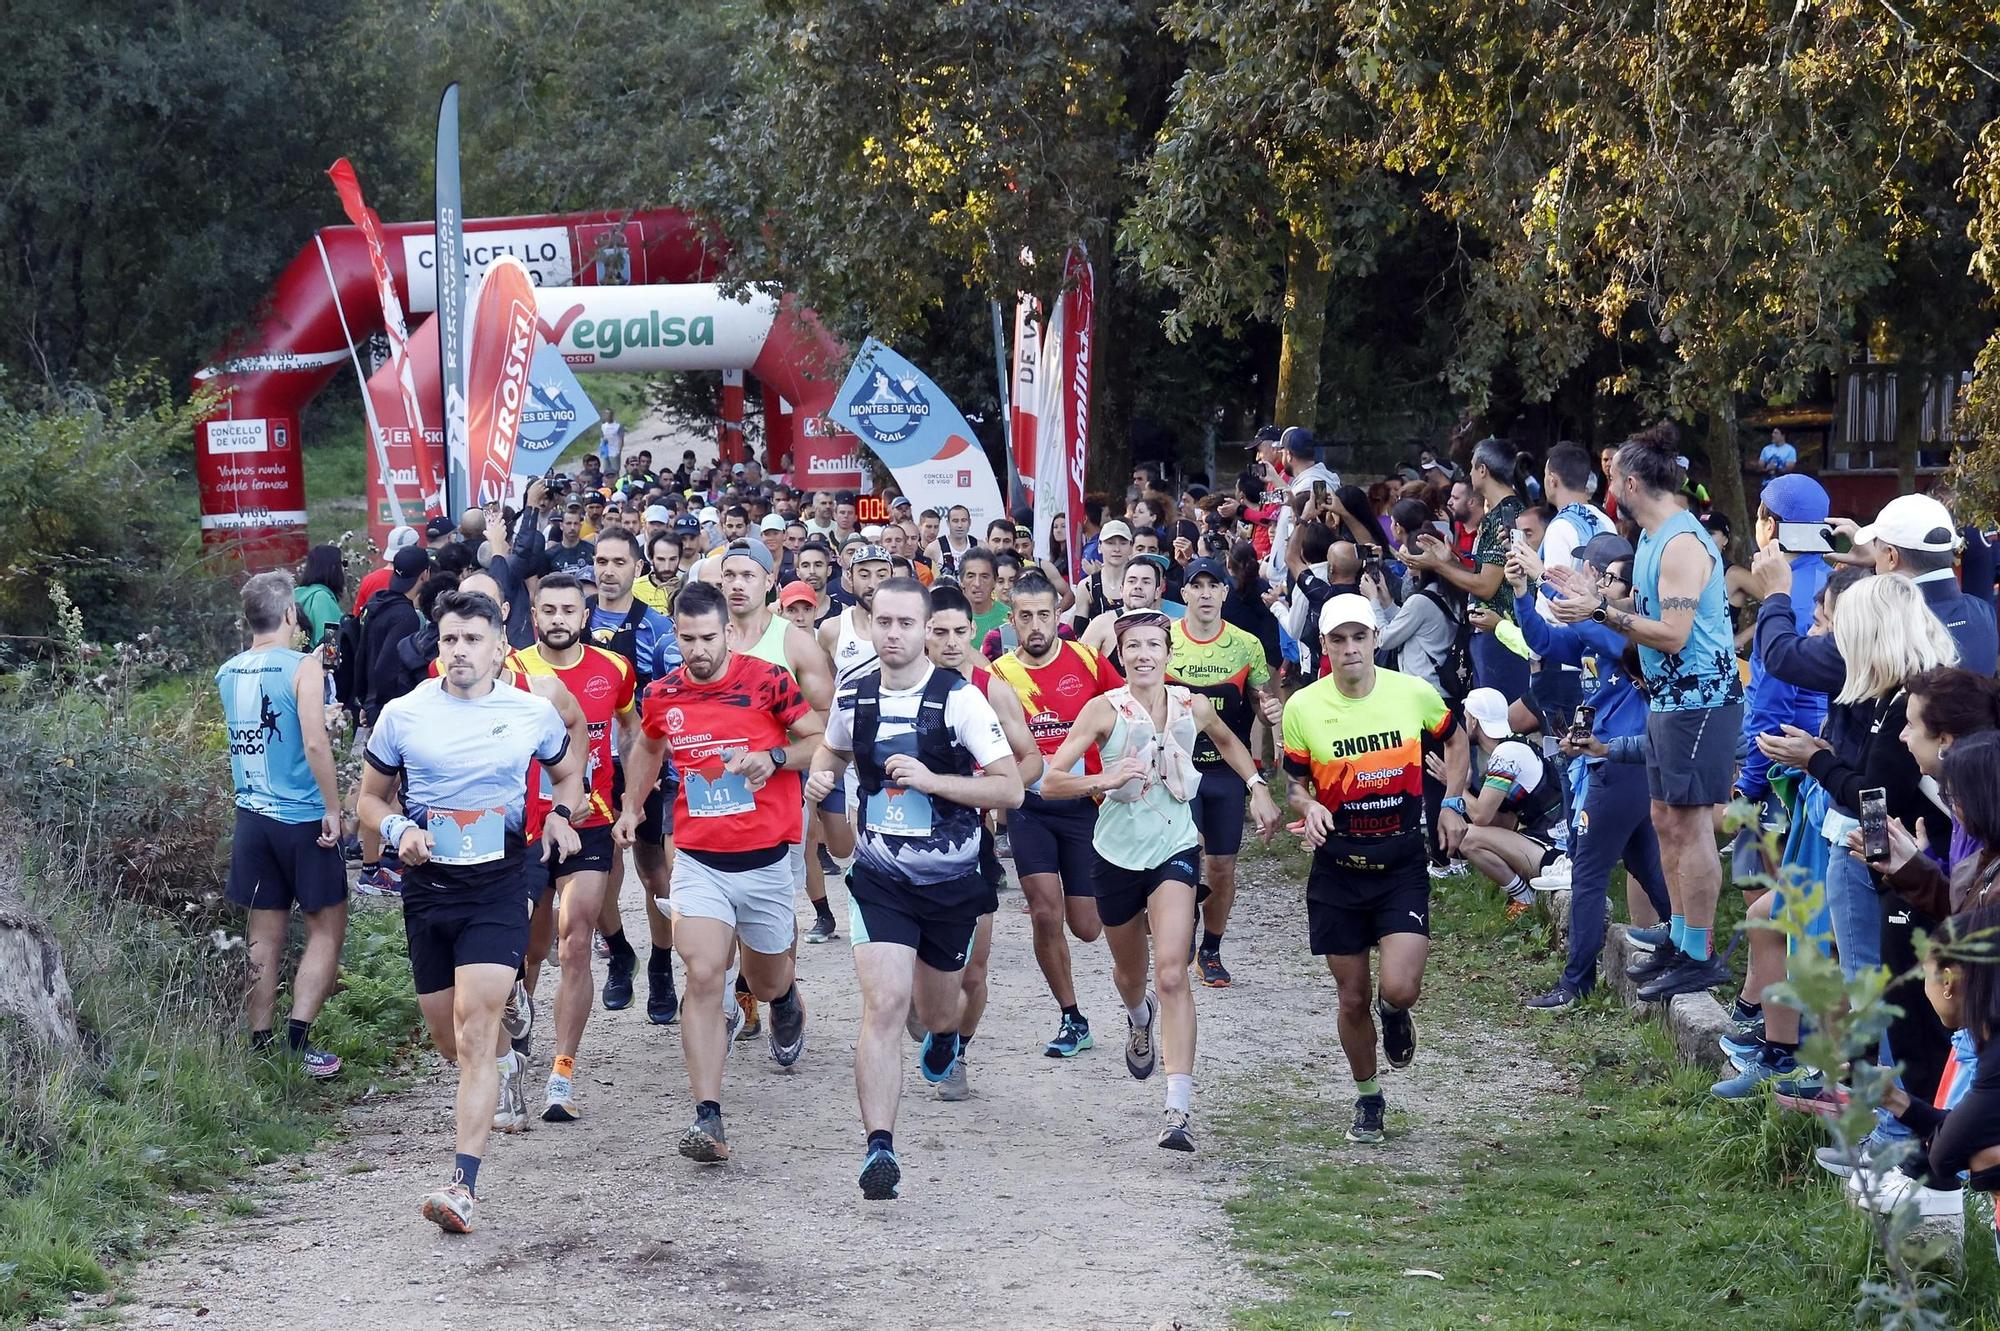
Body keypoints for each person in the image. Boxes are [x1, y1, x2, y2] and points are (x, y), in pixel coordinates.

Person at [360, 590, 585, 1234]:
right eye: (450, 640)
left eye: (472, 640)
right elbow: (369, 799)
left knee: (475, 1032)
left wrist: (562, 819)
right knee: (449, 1040)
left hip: (500, 881)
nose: (459, 652)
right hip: (429, 886)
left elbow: (571, 773)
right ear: (439, 645)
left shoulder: (530, 712)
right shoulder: (405, 716)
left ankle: (462, 1186)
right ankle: (514, 998)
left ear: (497, 645)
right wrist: (398, 826)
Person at [803, 580, 1024, 1197]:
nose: (893, 634)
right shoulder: (855, 693)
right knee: (885, 1005)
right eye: (884, 622)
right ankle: (879, 1150)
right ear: (869, 625)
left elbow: (1009, 789)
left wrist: (933, 780)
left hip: (953, 880)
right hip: (879, 879)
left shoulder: (961, 702)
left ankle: (947, 1033)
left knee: (931, 1014)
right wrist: (821, 784)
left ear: (927, 629)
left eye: (906, 623)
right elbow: (830, 752)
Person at [1045, 608, 1281, 1152]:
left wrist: (1257, 785)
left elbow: (1226, 740)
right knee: (1131, 974)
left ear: (1169, 655)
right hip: (1115, 855)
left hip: (1174, 846)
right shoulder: (1102, 711)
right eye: (1134, 648)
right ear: (1120, 657)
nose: (1145, 655)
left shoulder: (1190, 704)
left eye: (1155, 645)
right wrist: (1105, 778)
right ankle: (1137, 1014)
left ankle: (1177, 1108)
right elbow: (1052, 781)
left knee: (1173, 972)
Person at [617, 581, 825, 1165]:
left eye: (709, 637)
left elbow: (823, 742)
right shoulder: (663, 692)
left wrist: (775, 757)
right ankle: (707, 1115)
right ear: (675, 635)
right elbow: (648, 745)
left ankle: (783, 999)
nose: (699, 649)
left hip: (765, 860)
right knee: (705, 974)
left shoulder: (766, 681)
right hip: (701, 860)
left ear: (729, 632)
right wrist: (633, 806)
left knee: (762, 979)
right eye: (688, 639)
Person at [1546, 425, 1741, 1002]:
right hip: (1670, 701)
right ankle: (1680, 937)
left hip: (1701, 701)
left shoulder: (1681, 543)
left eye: (1612, 481)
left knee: (1691, 823)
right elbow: (1647, 607)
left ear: (1631, 483)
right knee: (1664, 821)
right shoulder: (1653, 539)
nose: (1608, 492)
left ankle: (1699, 952)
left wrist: (1603, 614)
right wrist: (1596, 599)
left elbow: (1676, 635)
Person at [1282, 593, 1470, 1144]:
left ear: (1375, 641)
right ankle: (1368, 1098)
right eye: (1337, 640)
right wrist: (1307, 804)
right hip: (1337, 868)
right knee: (1350, 997)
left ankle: (1396, 1012)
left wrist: (1453, 801)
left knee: (1399, 987)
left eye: (1358, 638)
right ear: (1325, 647)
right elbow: (1294, 780)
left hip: (1400, 861)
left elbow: (1456, 739)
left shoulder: (1412, 694)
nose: (1349, 650)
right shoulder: (1304, 708)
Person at [506, 573, 639, 1122]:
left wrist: (628, 799)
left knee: (574, 940)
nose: (559, 618)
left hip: (590, 820)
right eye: (549, 610)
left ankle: (562, 1072)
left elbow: (630, 729)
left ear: (586, 617)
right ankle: (518, 1038)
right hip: (524, 828)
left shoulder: (614, 669)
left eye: (570, 610)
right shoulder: (509, 670)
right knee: (527, 952)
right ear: (533, 616)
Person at [991, 571, 1126, 1056]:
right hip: (1030, 807)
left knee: (1087, 926)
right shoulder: (999, 674)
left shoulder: (1088, 661)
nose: (1035, 625)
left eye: (1043, 615)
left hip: (1086, 805)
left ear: (1058, 616)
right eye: (1024, 616)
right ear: (1011, 619)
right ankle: (1072, 1017)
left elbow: (1127, 709)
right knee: (1045, 912)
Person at [218, 572, 347, 1079]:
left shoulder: (228, 671)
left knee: (263, 933)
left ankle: (258, 1042)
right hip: (300, 816)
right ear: (292, 614)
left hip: (251, 817)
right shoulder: (303, 666)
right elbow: (314, 743)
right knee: (326, 926)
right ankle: (297, 1043)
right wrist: (334, 809)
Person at [1166, 557, 1283, 986]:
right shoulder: (1165, 639)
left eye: (1212, 585)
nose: (1204, 593)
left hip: (1226, 769)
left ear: (1224, 593)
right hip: (1177, 768)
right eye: (1196, 586)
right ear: (1185, 595)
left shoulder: (1245, 644)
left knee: (1221, 869)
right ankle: (1179, 930)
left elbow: (1260, 700)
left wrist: (1268, 709)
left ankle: (1210, 947)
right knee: (1185, 854)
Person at [586, 528, 684, 1024]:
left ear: (637, 568)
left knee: (654, 871)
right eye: (600, 561)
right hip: (586, 767)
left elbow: (675, 691)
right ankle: (620, 953)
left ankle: (663, 965)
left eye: (618, 562)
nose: (607, 570)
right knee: (600, 870)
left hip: (643, 760)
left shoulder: (658, 627)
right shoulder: (572, 618)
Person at [1403, 437, 1526, 700]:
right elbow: (1483, 575)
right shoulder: (1500, 512)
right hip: (1493, 633)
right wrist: (1448, 560)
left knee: (1497, 719)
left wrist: (1437, 565)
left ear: (1483, 470)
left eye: (1472, 467)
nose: (1469, 473)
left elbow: (1486, 586)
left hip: (1502, 635)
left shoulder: (1504, 515)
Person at [1455, 688, 1565, 917]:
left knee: (1466, 837)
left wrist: (1457, 788)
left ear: (1474, 722)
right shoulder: (1513, 747)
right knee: (1474, 836)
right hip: (1545, 842)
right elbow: (1504, 824)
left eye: (1466, 716)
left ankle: (1525, 899)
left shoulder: (1506, 755)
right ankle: (1524, 895)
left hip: (1554, 854)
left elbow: (1481, 817)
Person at [819, 543, 892, 686]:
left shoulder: (909, 628)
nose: (873, 584)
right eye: (864, 575)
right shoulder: (832, 629)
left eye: (881, 575)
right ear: (850, 578)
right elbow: (827, 691)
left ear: (892, 577)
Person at [293, 545, 345, 650]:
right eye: (343, 564)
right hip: (317, 664)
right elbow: (330, 649)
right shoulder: (323, 599)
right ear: (333, 568)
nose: (344, 569)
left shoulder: (295, 595)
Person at [548, 508, 595, 576]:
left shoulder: (591, 551)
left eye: (575, 524)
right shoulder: (550, 555)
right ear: (561, 526)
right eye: (568, 523)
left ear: (580, 526)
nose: (572, 527)